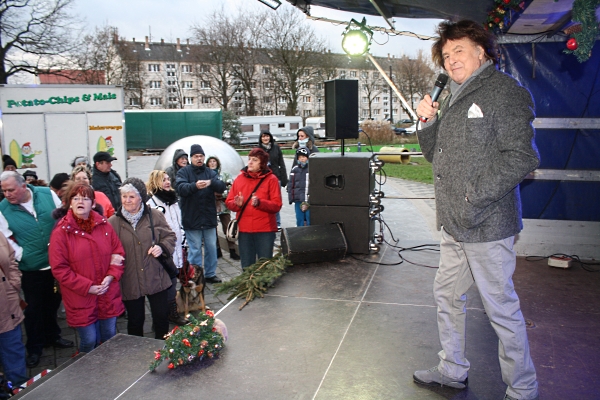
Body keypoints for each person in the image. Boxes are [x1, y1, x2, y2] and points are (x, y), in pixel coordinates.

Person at [412, 20, 540, 400]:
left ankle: (523, 388)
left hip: (486, 224)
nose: (451, 61)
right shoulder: (452, 95)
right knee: (448, 296)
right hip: (454, 225)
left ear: (481, 51)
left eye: (459, 51)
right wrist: (428, 122)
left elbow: (522, 156)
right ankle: (452, 369)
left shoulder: (505, 92)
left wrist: (473, 197)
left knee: (500, 309)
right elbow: (436, 156)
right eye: (446, 55)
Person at [0, 171, 73, 369]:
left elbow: (63, 220)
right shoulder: (2, 210)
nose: (7, 194)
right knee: (33, 309)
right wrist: (23, 255)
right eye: (3, 190)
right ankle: (35, 347)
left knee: (53, 303)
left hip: (56, 264)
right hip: (31, 268)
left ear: (24, 186)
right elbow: (6, 240)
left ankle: (53, 336)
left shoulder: (47, 194)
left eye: (10, 189)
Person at [49, 183, 125, 354]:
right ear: (69, 203)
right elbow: (60, 269)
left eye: (85, 198)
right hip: (80, 297)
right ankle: (85, 372)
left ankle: (108, 369)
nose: (80, 202)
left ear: (92, 203)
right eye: (75, 198)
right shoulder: (61, 232)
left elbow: (118, 253)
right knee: (89, 340)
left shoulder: (104, 225)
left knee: (109, 336)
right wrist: (87, 286)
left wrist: (111, 276)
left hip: (107, 293)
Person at [108, 178, 175, 340]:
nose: (127, 200)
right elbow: (107, 249)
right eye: (124, 197)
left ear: (141, 198)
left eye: (131, 196)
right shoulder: (113, 223)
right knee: (135, 321)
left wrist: (162, 247)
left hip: (155, 275)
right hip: (130, 279)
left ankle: (163, 350)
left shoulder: (155, 215)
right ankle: (136, 353)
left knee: (161, 317)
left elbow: (170, 236)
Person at [175, 145, 226, 284]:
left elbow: (222, 186)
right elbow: (180, 188)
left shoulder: (210, 172)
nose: (199, 158)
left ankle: (210, 274)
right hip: (191, 218)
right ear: (191, 158)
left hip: (208, 217)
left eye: (201, 156)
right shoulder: (183, 172)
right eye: (196, 156)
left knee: (211, 247)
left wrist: (212, 183)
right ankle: (195, 275)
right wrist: (195, 186)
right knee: (195, 249)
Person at [225, 148, 282, 269]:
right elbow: (229, 202)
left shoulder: (271, 180)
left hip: (265, 230)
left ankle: (265, 287)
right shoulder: (239, 179)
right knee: (246, 264)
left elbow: (277, 205)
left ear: (262, 164)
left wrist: (260, 203)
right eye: (249, 159)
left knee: (265, 264)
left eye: (254, 160)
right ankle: (247, 286)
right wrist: (237, 204)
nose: (250, 162)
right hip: (244, 230)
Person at [146, 170, 187, 325]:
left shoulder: (174, 201)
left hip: (176, 248)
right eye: (163, 180)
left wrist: (183, 244)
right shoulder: (152, 204)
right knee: (166, 283)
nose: (168, 182)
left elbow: (179, 223)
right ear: (156, 182)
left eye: (168, 179)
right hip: (163, 251)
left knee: (173, 280)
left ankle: (170, 311)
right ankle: (165, 313)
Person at [0, 232, 28, 387]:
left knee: (14, 350)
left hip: (8, 306)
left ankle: (19, 390)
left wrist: (14, 283)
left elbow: (11, 259)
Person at [206, 156, 240, 261]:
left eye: (214, 161)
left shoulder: (225, 175)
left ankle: (232, 250)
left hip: (224, 205)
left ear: (218, 163)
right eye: (210, 162)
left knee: (228, 227)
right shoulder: (205, 175)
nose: (212, 163)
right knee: (213, 230)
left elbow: (231, 188)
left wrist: (221, 194)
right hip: (210, 206)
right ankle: (217, 250)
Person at [256, 130, 288, 230]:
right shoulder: (258, 150)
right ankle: (265, 222)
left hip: (275, 177)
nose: (265, 138)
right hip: (262, 178)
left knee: (275, 200)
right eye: (263, 137)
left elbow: (281, 163)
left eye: (267, 136)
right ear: (260, 138)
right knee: (264, 200)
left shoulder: (276, 148)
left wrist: (284, 178)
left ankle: (277, 222)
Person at [287, 147, 310, 227]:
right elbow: (290, 185)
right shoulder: (295, 169)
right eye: (300, 157)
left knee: (309, 218)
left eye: (303, 157)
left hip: (308, 199)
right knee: (299, 218)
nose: (302, 159)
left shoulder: (311, 169)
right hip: (298, 199)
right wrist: (291, 198)